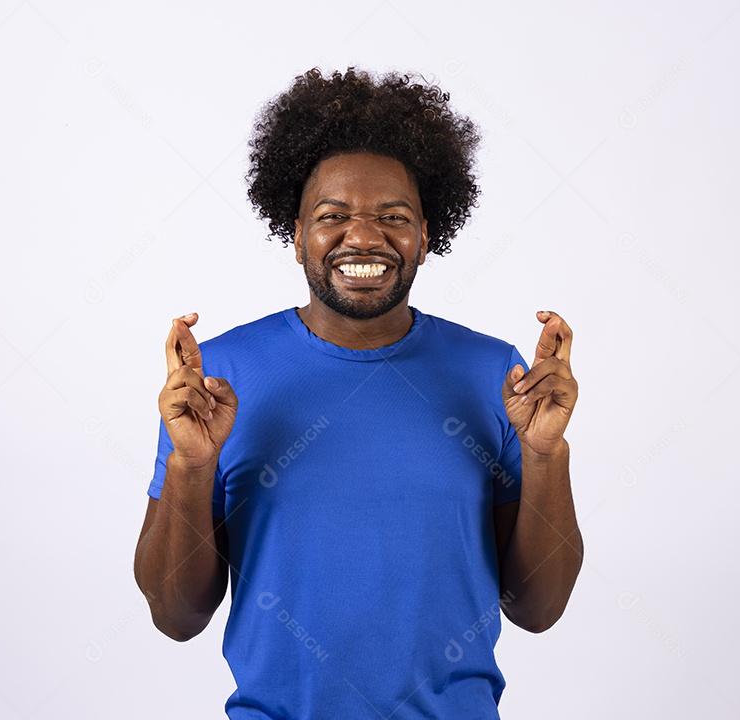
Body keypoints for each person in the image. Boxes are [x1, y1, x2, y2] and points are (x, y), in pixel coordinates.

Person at [134, 67, 582, 719]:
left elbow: (539, 609)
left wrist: (544, 454)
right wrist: (192, 466)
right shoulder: (219, 376)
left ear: (426, 237)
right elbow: (175, 616)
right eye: (333, 216)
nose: (364, 237)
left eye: (392, 217)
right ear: (296, 236)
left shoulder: (497, 375)